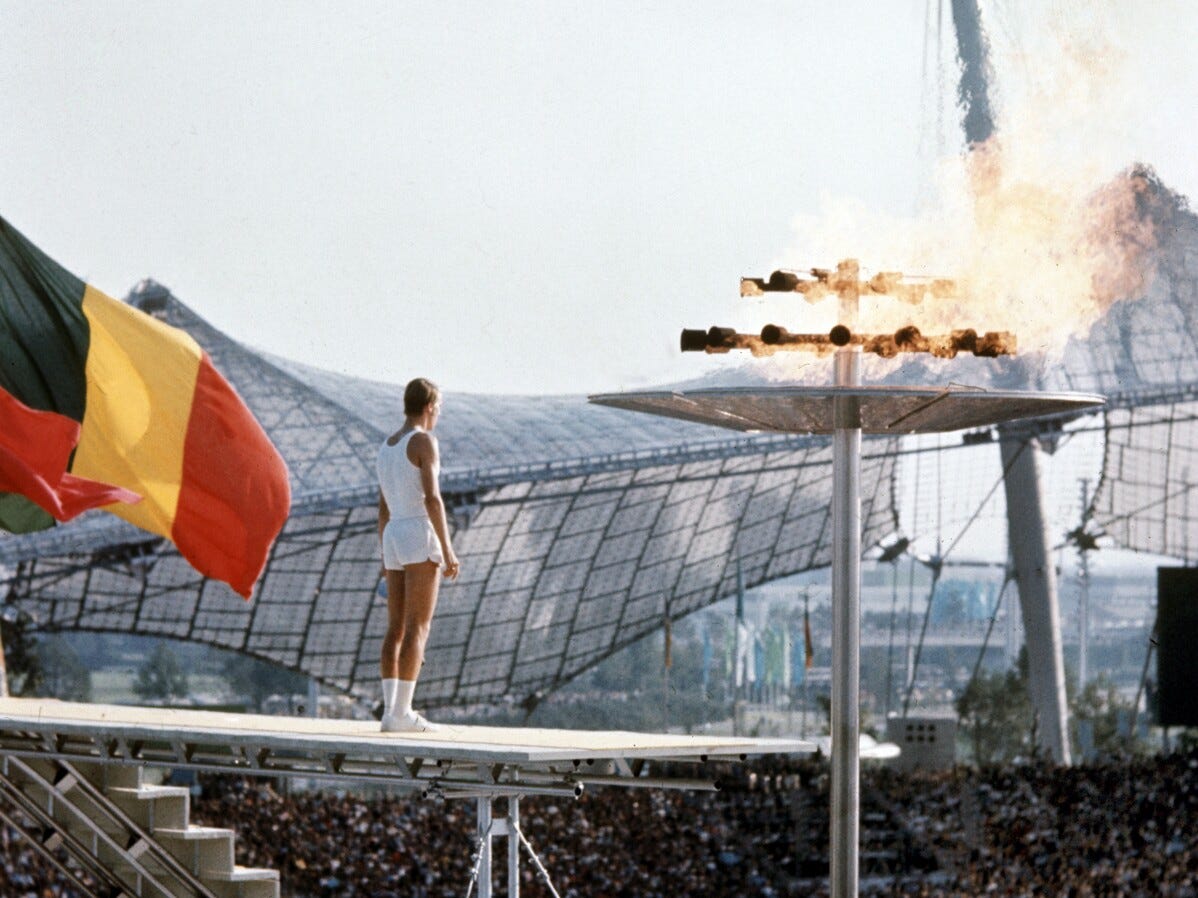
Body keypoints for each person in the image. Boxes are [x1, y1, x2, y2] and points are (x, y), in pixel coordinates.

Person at [377, 378, 460, 732]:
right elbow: (433, 499)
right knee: (418, 626)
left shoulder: (386, 446)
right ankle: (404, 713)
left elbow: (382, 506)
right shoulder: (424, 441)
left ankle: (390, 712)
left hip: (393, 531)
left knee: (395, 626)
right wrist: (448, 548)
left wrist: (385, 553)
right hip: (418, 530)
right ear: (429, 407)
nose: (438, 414)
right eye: (438, 407)